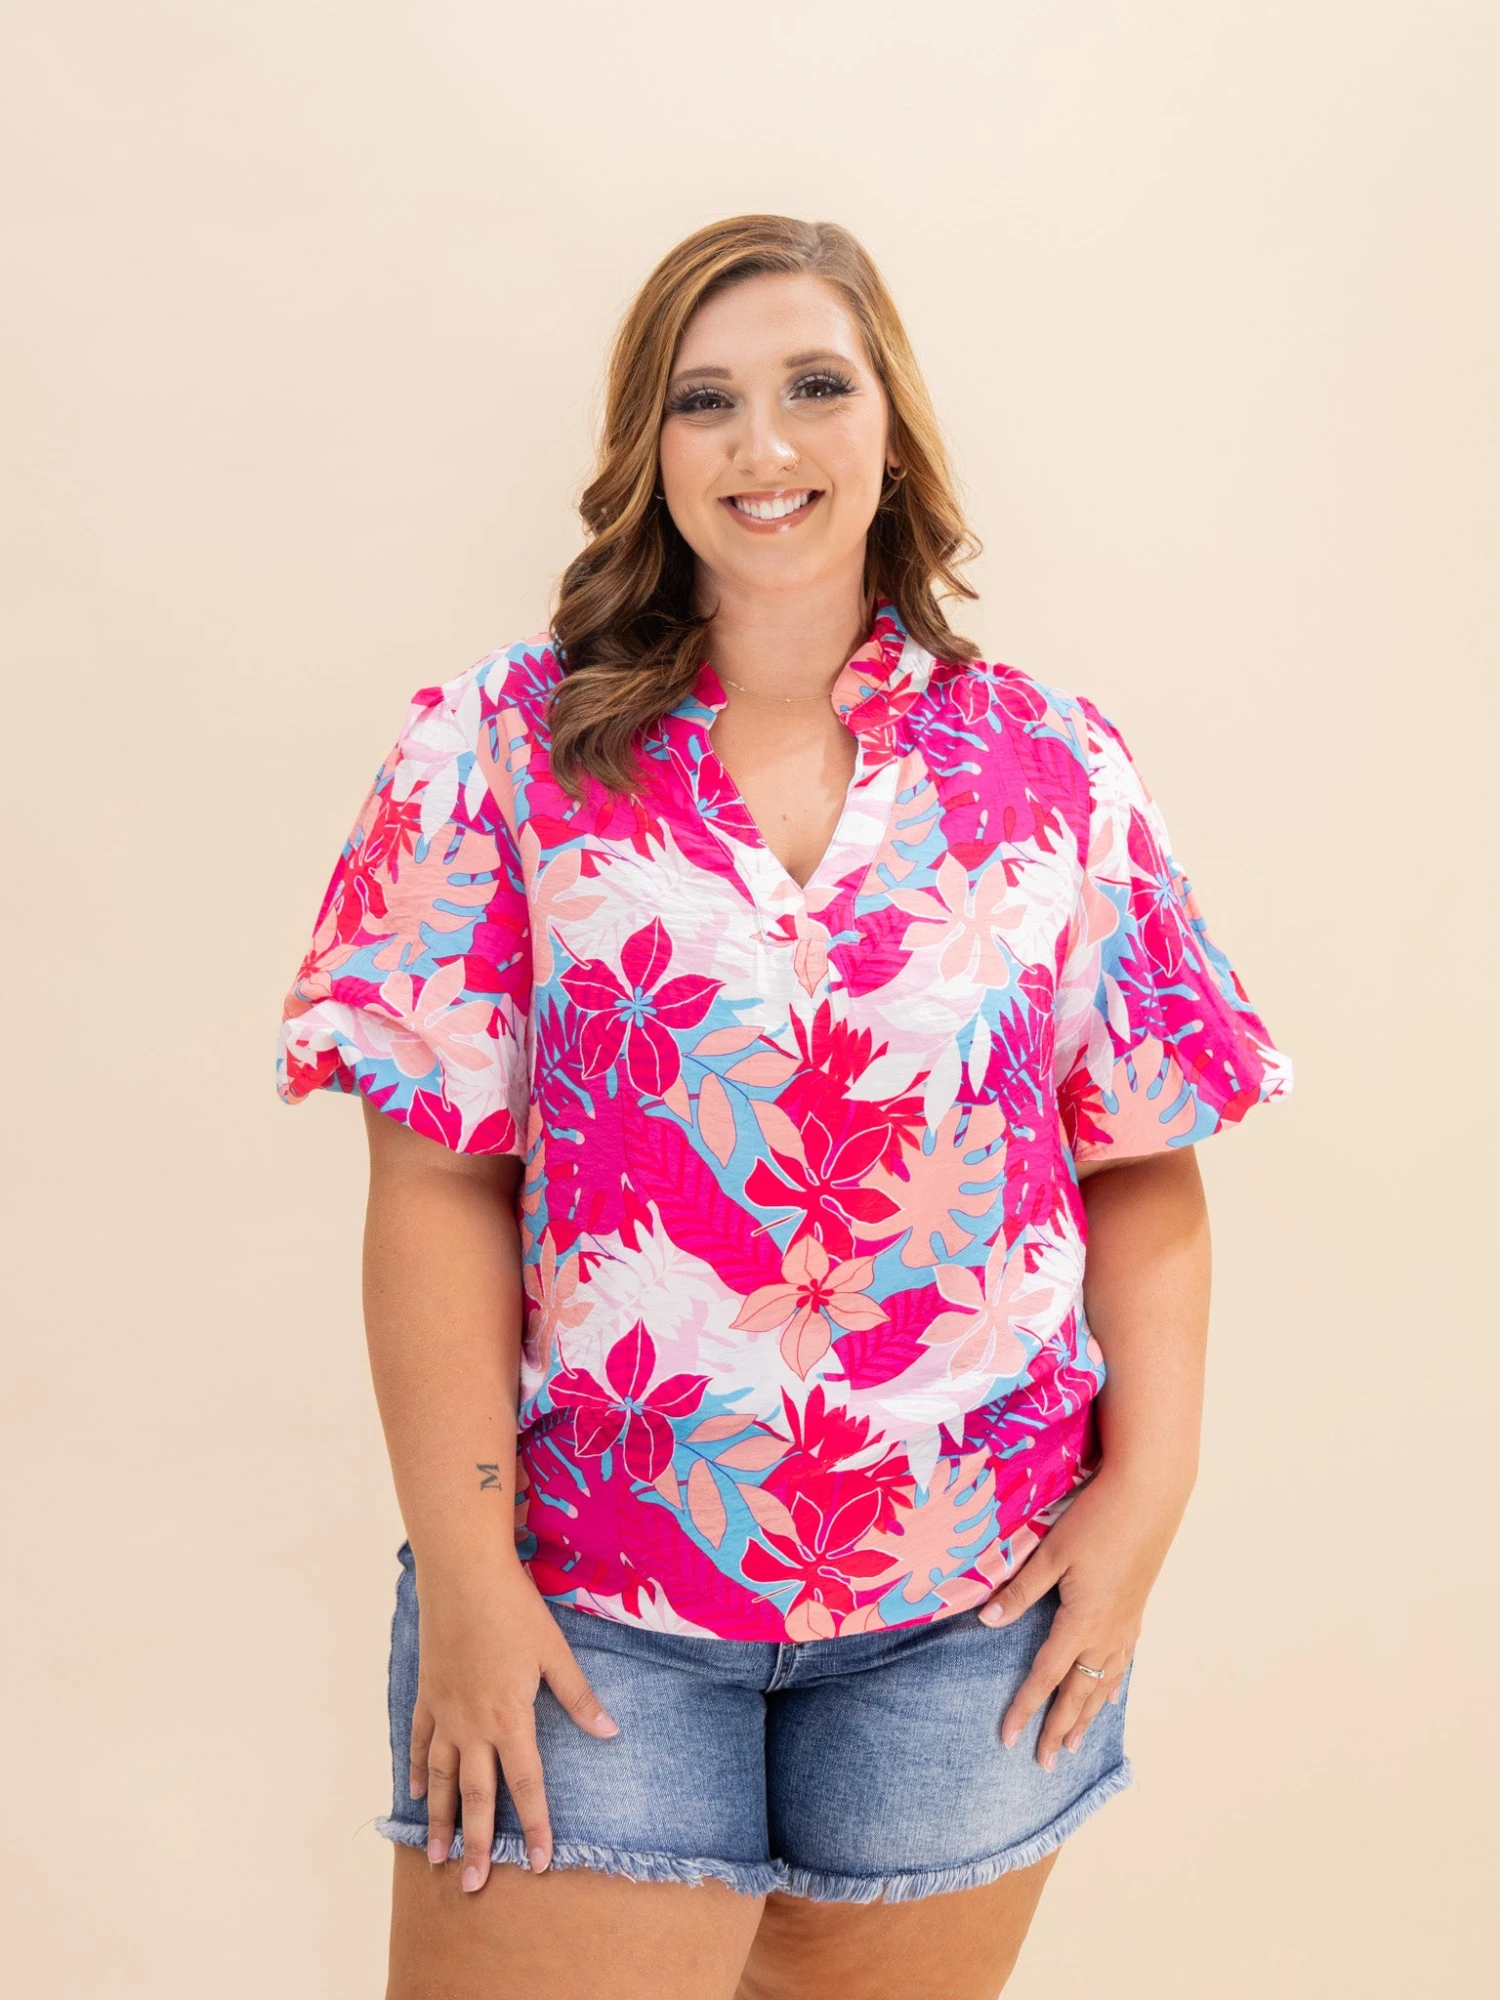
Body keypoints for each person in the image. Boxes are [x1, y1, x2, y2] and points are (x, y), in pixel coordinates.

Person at [277, 214, 1292, 2000]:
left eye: (817, 386)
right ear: (648, 448)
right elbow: (434, 1184)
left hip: (967, 1618)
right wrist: (466, 1571)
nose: (765, 444)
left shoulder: (1052, 769)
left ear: (890, 428)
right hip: (589, 1599)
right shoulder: (496, 749)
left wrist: (1150, 1497)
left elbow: (1143, 1161)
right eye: (706, 400)